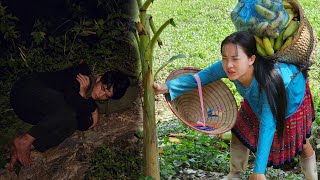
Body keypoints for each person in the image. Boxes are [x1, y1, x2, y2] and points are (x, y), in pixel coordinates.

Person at [154, 31, 318, 180]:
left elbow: (268, 125)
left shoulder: (268, 84)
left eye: (235, 58)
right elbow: (201, 78)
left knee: (301, 143)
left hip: (290, 99)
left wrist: (258, 172)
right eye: (224, 58)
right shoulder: (230, 67)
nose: (228, 64)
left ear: (251, 59)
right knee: (239, 130)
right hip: (256, 99)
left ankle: (311, 177)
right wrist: (166, 87)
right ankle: (234, 174)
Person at [8, 62, 130, 171]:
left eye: (106, 96)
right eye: (102, 88)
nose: (100, 94)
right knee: (68, 109)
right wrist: (92, 109)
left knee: (71, 123)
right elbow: (70, 98)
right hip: (26, 92)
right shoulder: (82, 74)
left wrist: (83, 97)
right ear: (99, 78)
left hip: (30, 113)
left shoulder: (87, 101)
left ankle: (28, 146)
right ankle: (25, 140)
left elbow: (83, 125)